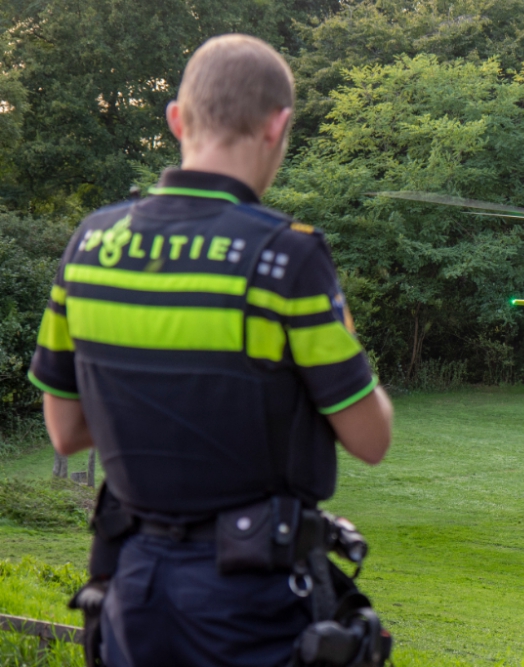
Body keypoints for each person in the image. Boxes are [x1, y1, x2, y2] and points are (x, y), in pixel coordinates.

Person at [27, 34, 393, 667]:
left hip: (130, 587)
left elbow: (65, 432)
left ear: (176, 118)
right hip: (251, 601)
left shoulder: (89, 243)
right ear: (278, 127)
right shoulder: (289, 257)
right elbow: (370, 439)